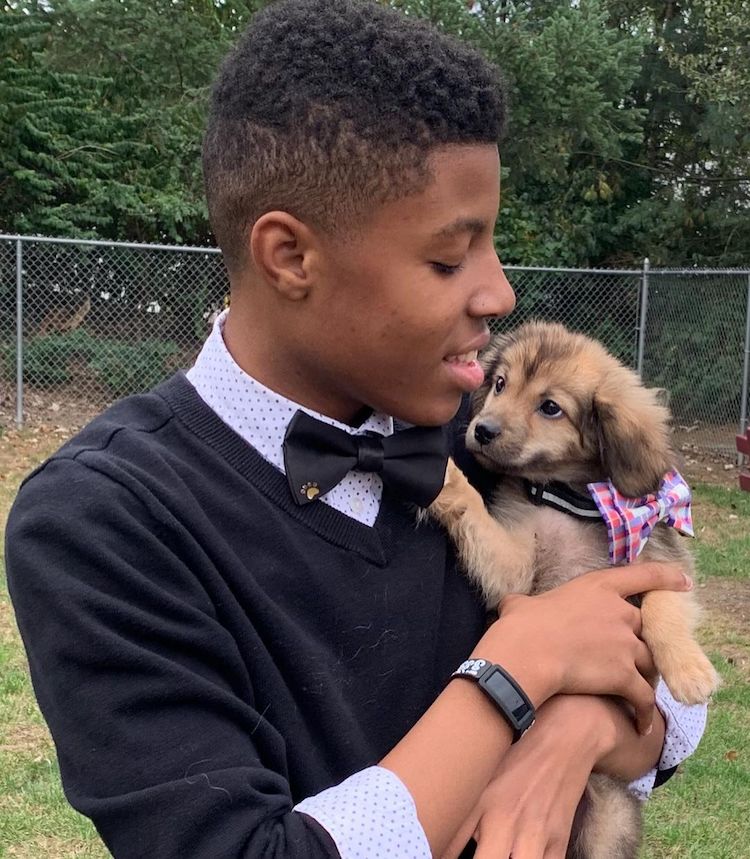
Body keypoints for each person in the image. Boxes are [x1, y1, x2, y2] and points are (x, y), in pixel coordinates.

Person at [6, 2, 706, 857]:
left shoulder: (489, 439)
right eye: (450, 259)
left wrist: (574, 735)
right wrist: (512, 677)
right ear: (291, 257)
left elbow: (674, 701)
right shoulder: (101, 520)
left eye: (492, 248)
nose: (498, 294)